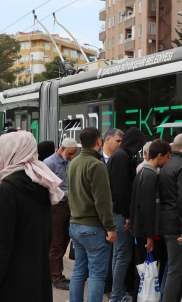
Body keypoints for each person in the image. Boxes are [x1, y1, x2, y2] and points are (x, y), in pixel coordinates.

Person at [0, 131, 65, 302]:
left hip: (11, 283)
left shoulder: (6, 191)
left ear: (12, 154)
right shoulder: (41, 185)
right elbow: (47, 237)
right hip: (37, 278)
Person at [68, 127, 117, 302]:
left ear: (81, 143)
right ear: (99, 141)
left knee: (79, 270)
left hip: (75, 225)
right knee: (97, 275)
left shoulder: (73, 162)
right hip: (93, 228)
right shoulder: (97, 165)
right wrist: (110, 228)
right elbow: (102, 201)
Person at [106, 127, 146, 302]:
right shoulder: (122, 157)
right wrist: (127, 215)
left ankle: (117, 293)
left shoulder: (118, 155)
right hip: (120, 213)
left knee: (118, 255)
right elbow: (121, 189)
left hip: (115, 211)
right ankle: (117, 295)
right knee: (123, 256)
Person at [159, 133, 182, 302]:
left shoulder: (167, 164)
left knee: (171, 268)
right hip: (177, 226)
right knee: (176, 271)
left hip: (166, 222)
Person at [43, 137, 78, 290]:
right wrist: (70, 194)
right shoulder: (49, 163)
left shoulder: (69, 162)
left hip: (68, 207)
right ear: (62, 149)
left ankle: (55, 272)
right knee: (56, 243)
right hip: (56, 207)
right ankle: (56, 277)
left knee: (64, 241)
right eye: (70, 154)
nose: (72, 157)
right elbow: (48, 187)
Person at [130, 139, 171, 270]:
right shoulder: (150, 175)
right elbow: (148, 207)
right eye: (168, 157)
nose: (168, 160)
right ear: (160, 156)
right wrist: (150, 237)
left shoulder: (143, 172)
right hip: (147, 232)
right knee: (149, 269)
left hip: (141, 229)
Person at [98, 127, 124, 294]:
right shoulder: (97, 160)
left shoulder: (120, 159)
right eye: (118, 141)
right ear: (107, 140)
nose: (120, 145)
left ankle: (108, 285)